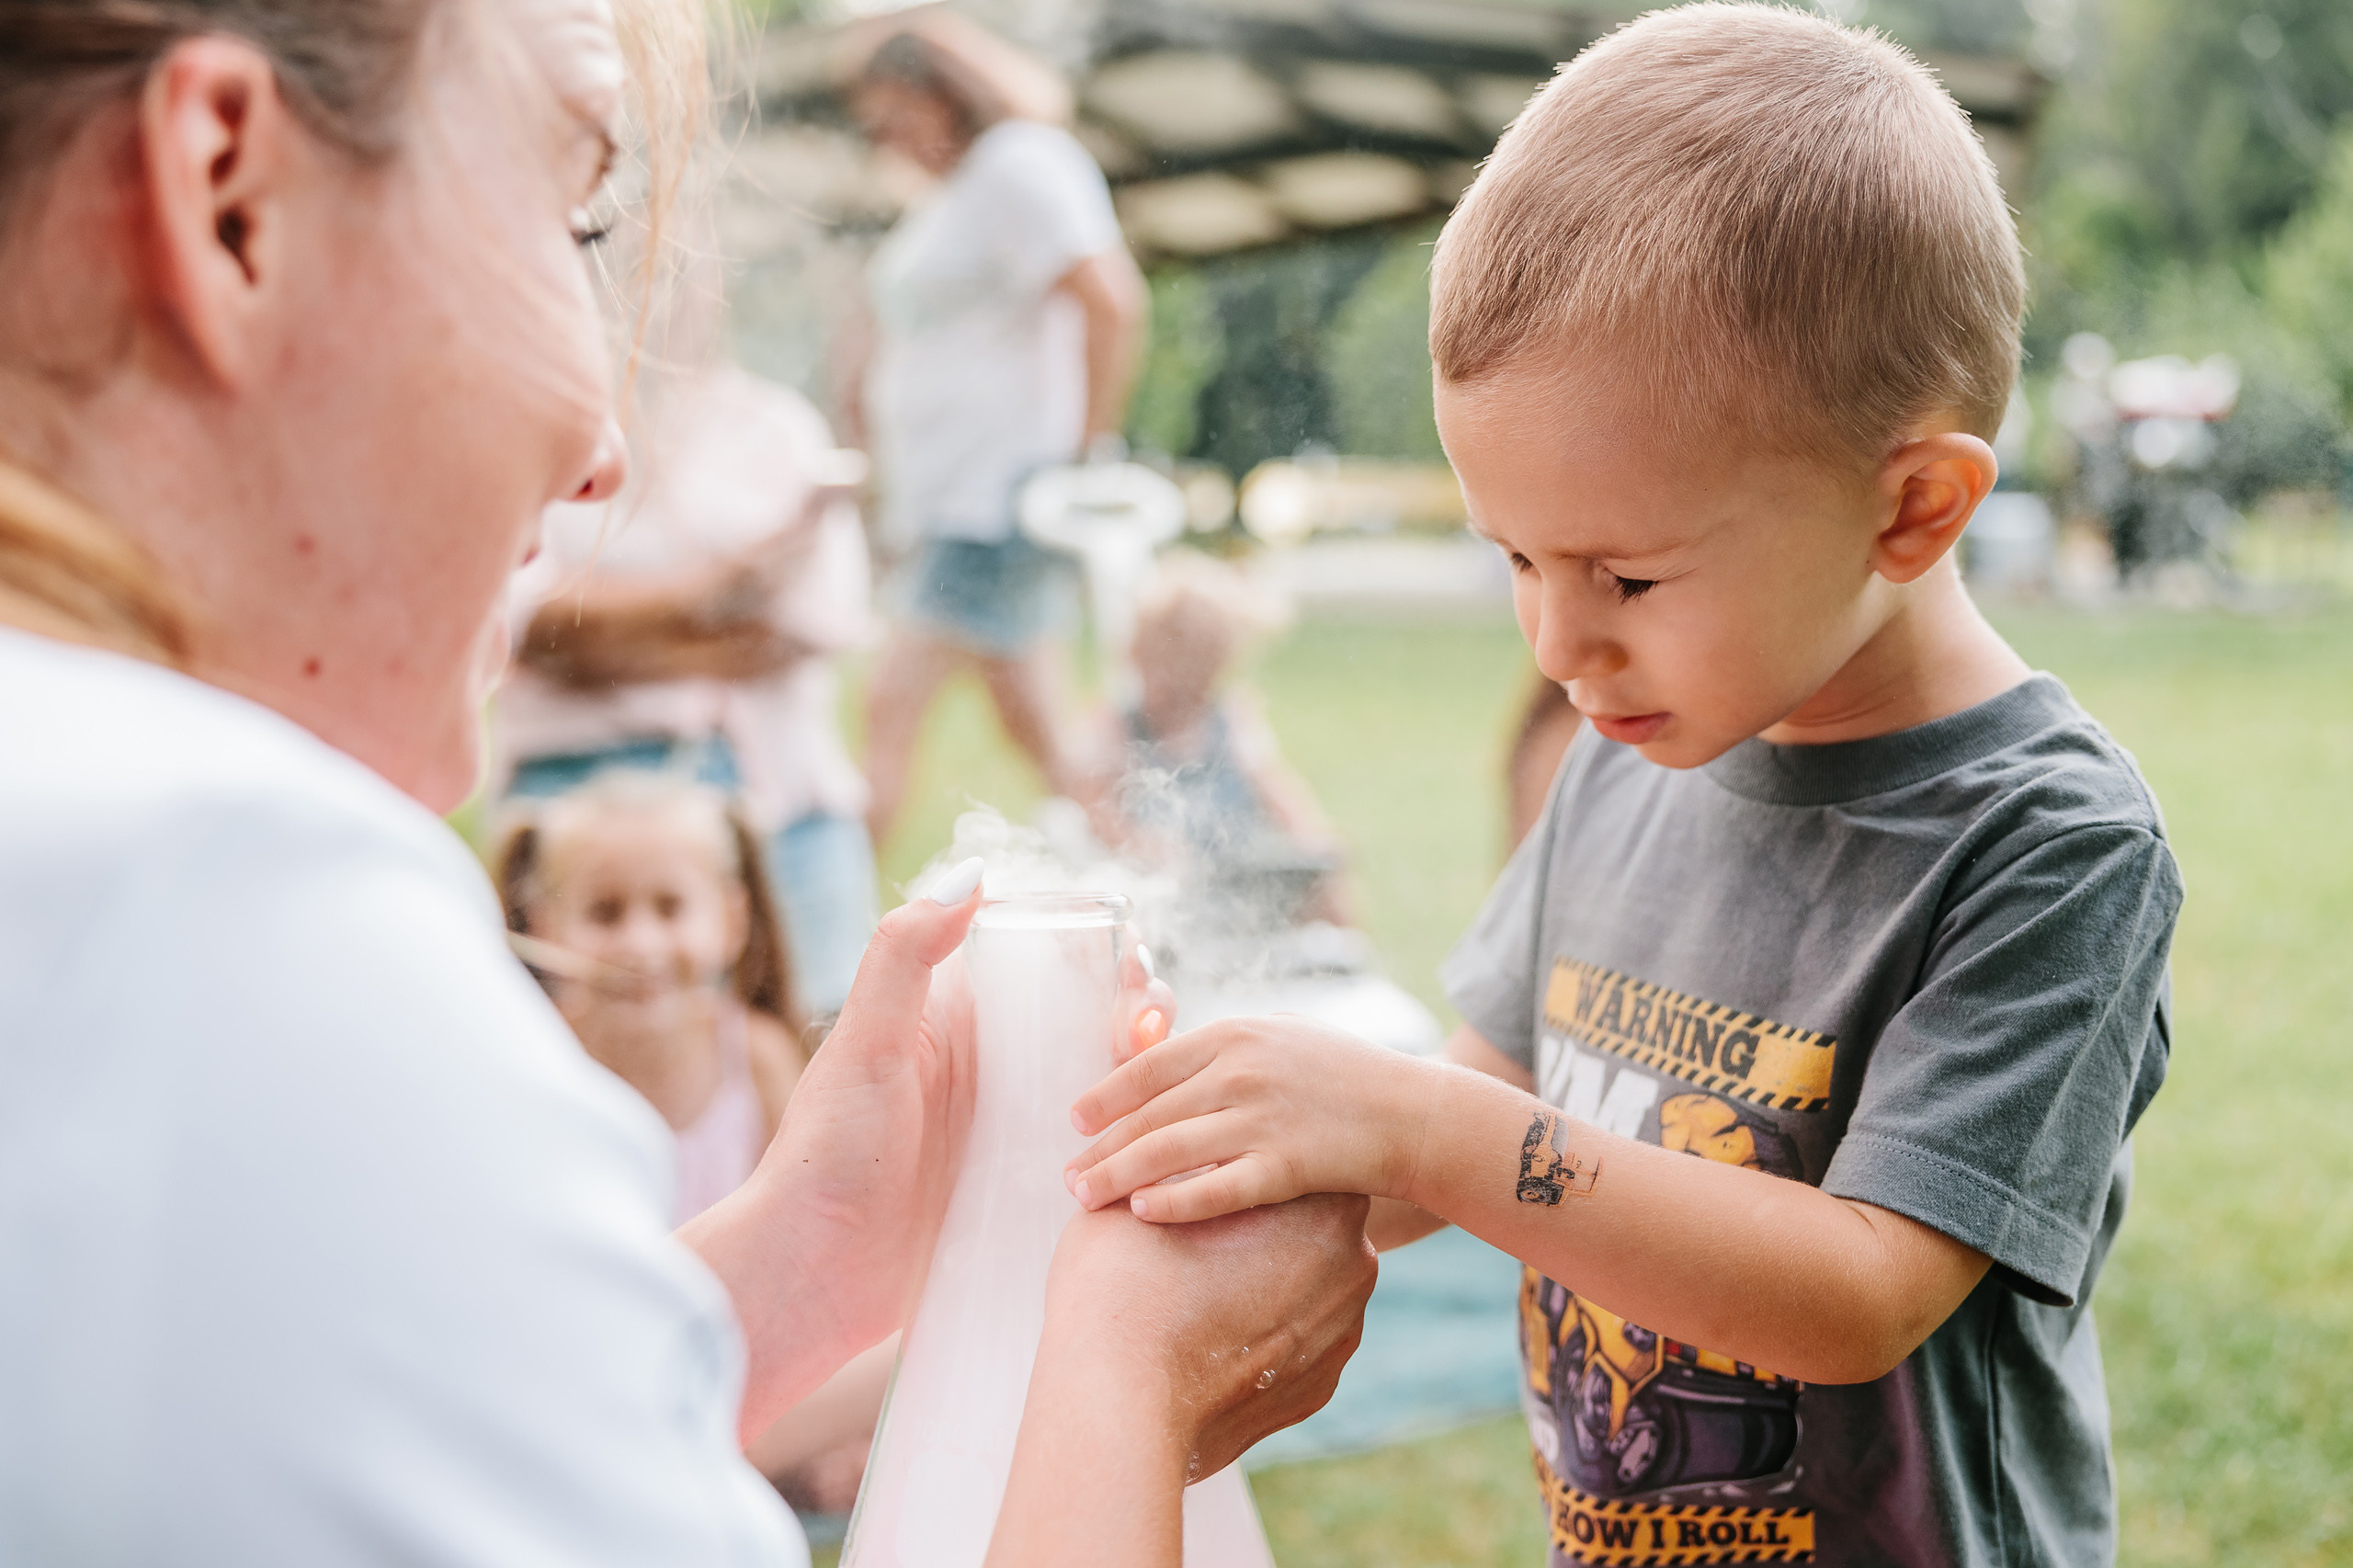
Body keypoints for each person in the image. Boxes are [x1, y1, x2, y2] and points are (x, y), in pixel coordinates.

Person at [0, 0, 1377, 1562]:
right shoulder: (226, 917)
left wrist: (808, 1269)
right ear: (231, 195)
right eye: (576, 212)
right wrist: (1129, 1370)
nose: (602, 446)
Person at [1062, 8, 2182, 1567]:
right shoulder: (1625, 758)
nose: (1557, 639)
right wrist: (1228, 1144)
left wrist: (1421, 1129)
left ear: (1914, 507)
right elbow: (1472, 1107)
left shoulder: (2047, 846)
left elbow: (1859, 1294)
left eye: (1627, 574)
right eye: (1515, 556)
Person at [839, 14, 1148, 853]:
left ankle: (830, 930)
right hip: (955, 498)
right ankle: (1154, 869)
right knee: (1040, 733)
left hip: (999, 496)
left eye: (896, 117)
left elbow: (1110, 303)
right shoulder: (962, 191)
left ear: (948, 96)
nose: (889, 141)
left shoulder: (1022, 164)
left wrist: (1083, 457)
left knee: (889, 701)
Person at [500, 340, 879, 1017]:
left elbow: (806, 625)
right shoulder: (526, 415)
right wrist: (721, 588)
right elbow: (523, 623)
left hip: (771, 778)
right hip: (574, 774)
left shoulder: (774, 428)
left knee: (822, 1026)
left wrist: (604, 648)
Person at [496, 772, 806, 1224]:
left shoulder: (759, 1061)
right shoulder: (538, 1061)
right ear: (545, 928)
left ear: (731, 919)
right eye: (605, 913)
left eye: (670, 907)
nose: (641, 944)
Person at [1100, 551, 1350, 926]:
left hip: (1234, 870)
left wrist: (1309, 837)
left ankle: (1347, 963)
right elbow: (1092, 804)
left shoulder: (1230, 722)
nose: (1182, 698)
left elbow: (1275, 787)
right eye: (1168, 681)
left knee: (1325, 886)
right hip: (1160, 883)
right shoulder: (1117, 726)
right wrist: (1139, 844)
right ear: (1137, 657)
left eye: (1195, 686)